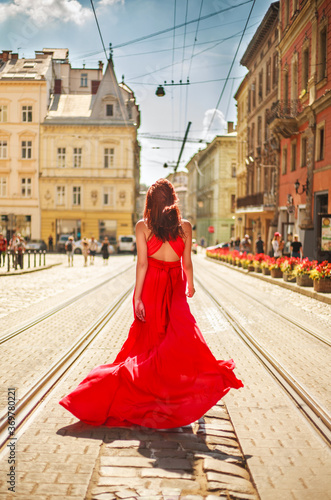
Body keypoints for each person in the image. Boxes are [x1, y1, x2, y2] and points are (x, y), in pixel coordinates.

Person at [59, 178, 243, 430]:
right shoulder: (186, 227)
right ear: (172, 201)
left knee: (150, 342)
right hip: (175, 284)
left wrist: (137, 297)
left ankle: (147, 393)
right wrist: (190, 284)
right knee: (180, 337)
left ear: (149, 202)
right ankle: (176, 391)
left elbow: (142, 264)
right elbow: (187, 263)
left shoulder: (142, 227)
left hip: (152, 285)